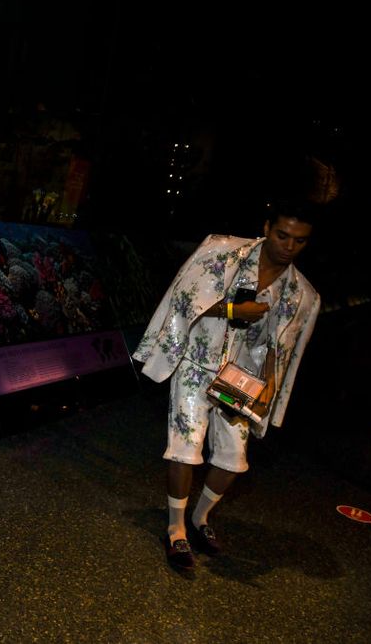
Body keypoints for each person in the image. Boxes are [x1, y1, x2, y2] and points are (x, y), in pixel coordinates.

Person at [133, 200, 320, 570]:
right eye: (283, 235)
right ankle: (175, 531)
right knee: (184, 449)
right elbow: (183, 300)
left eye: (299, 241)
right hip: (197, 363)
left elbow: (282, 351)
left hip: (240, 380)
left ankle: (200, 519)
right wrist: (233, 310)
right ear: (268, 227)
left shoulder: (303, 295)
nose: (289, 245)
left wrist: (269, 389)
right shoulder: (221, 250)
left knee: (233, 461)